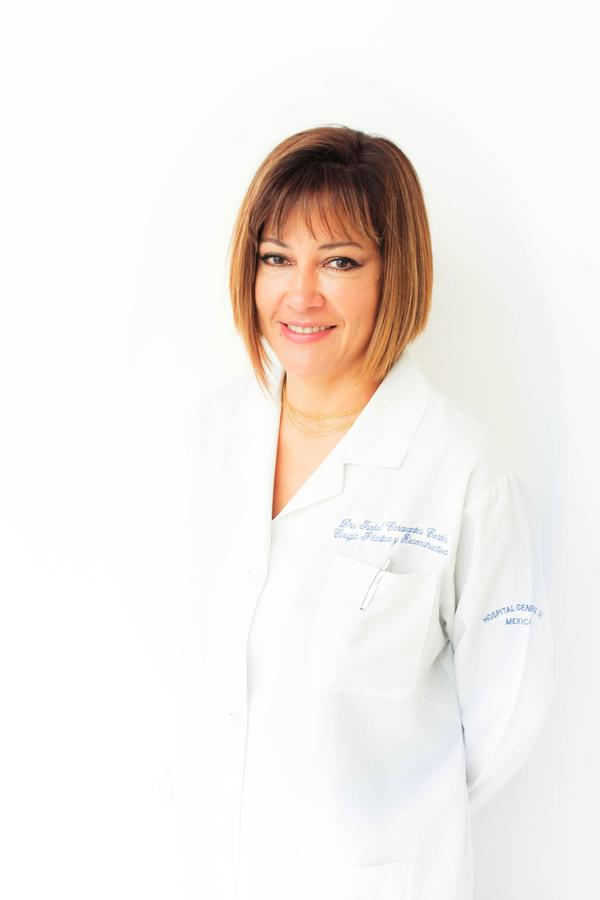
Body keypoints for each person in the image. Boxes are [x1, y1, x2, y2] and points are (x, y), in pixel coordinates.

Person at [184, 124, 553, 900]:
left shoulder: (466, 475)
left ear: (396, 273)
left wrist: (384, 831)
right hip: (219, 869)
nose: (300, 295)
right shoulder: (215, 435)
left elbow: (505, 720)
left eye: (340, 262)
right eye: (276, 258)